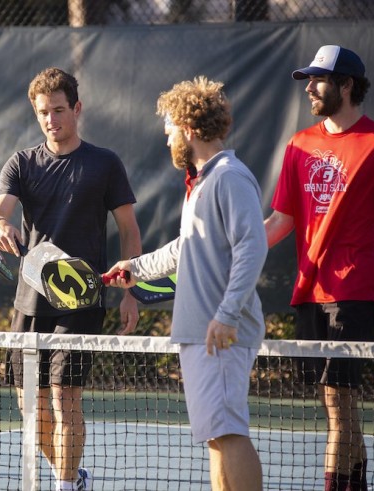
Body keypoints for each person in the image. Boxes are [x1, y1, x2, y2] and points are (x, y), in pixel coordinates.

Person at [0, 67, 142, 491]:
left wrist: (132, 292)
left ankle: (66, 486)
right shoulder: (22, 162)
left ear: (76, 109)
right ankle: (70, 475)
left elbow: (128, 229)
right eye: (42, 112)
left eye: (58, 109)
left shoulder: (104, 163)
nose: (51, 119)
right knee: (29, 405)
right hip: (30, 300)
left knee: (63, 395)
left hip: (82, 302)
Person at [106, 76, 266, 491]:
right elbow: (185, 249)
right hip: (201, 332)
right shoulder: (201, 183)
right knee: (217, 437)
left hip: (222, 333)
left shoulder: (230, 176)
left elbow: (253, 247)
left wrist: (227, 316)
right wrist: (135, 268)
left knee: (230, 434)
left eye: (170, 127)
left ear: (189, 129)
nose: (166, 137)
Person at [264, 45, 374, 490]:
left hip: (355, 290)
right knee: (335, 403)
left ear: (346, 85)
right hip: (310, 289)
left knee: (338, 402)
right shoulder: (299, 144)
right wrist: (229, 252)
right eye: (307, 79)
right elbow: (281, 222)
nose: (309, 88)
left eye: (318, 80)